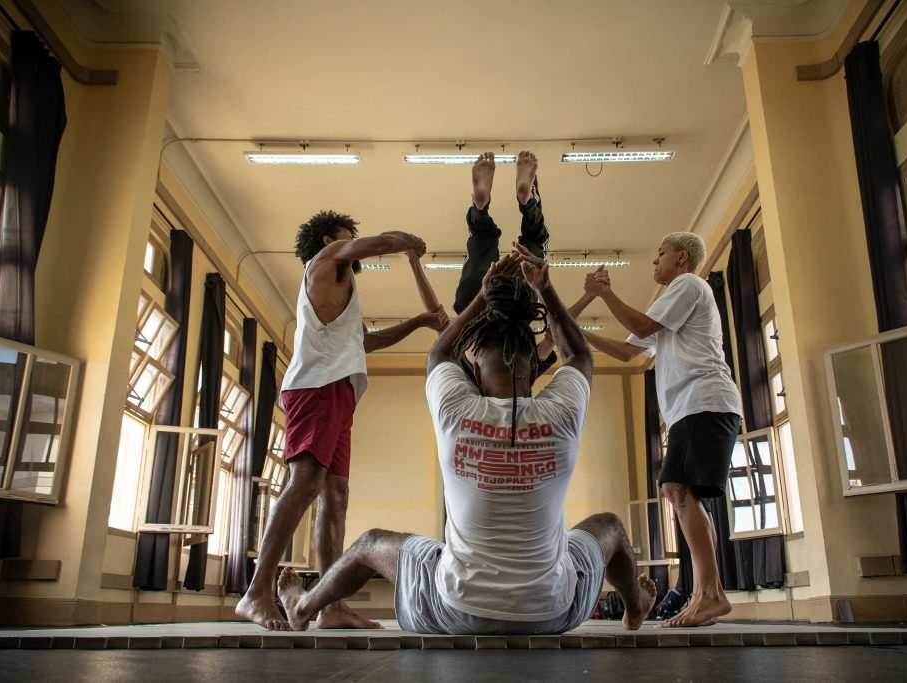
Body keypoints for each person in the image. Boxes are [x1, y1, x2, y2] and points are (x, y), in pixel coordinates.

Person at [274, 247, 657, 634]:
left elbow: (440, 353)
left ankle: (304, 606)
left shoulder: (455, 409)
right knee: (608, 526)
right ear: (537, 368)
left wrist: (482, 295)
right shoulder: (562, 414)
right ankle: (636, 607)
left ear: (473, 370)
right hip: (551, 613)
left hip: (454, 611)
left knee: (371, 543)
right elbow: (579, 356)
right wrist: (545, 288)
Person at [236, 210, 447, 631]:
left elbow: (366, 341)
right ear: (329, 241)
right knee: (306, 483)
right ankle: (256, 592)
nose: (353, 243)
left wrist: (421, 321)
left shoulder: (342, 293)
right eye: (348, 237)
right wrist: (405, 239)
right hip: (316, 387)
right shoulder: (325, 261)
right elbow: (373, 244)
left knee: (336, 493)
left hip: (339, 390)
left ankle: (329, 605)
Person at [582, 232, 742, 628]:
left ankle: (709, 594)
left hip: (704, 401)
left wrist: (604, 294)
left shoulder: (689, 284)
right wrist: (575, 331)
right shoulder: (673, 302)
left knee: (676, 488)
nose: (655, 261)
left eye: (660, 254)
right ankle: (709, 593)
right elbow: (627, 350)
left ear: (681, 258)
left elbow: (640, 322)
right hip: (696, 407)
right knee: (683, 493)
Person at [454, 151, 595, 367]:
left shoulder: (523, 374)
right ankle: (480, 209)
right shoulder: (460, 386)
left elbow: (554, 340)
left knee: (535, 243)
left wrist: (550, 290)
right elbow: (440, 351)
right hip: (472, 306)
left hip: (520, 305)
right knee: (480, 242)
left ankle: (528, 202)